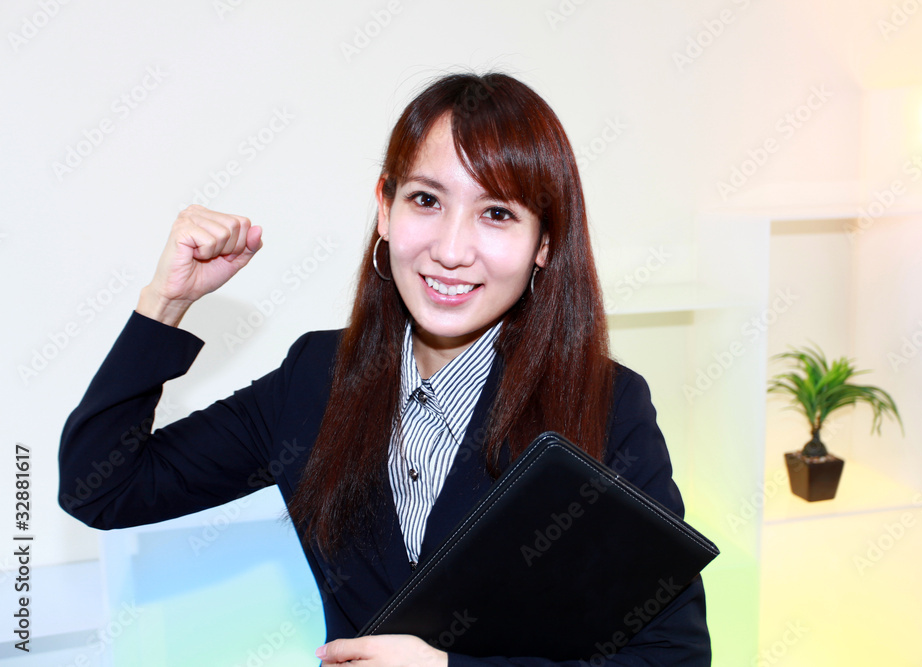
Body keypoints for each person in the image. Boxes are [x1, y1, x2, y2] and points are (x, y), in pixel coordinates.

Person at [59, 72, 710, 665]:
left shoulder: (605, 402)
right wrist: (165, 301)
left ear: (543, 243)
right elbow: (102, 488)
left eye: (497, 213)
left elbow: (672, 655)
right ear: (385, 208)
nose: (451, 249)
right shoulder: (315, 378)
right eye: (427, 200)